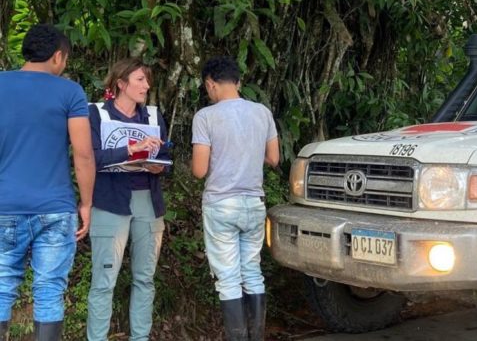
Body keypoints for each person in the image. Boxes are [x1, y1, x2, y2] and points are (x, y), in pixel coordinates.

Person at [0, 24, 95, 340]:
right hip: (55, 209)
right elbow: (82, 154)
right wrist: (87, 203)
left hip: (4, 207)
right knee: (50, 290)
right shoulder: (69, 92)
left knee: (1, 286)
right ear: (58, 56)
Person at [191, 56, 279, 341]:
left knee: (228, 280)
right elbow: (274, 159)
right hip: (254, 204)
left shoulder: (206, 117)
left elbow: (199, 170)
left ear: (210, 84)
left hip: (221, 205)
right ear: (238, 82)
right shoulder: (262, 112)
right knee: (252, 272)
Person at [86, 58, 171, 341]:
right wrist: (132, 149)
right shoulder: (96, 113)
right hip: (110, 201)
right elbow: (92, 158)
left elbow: (166, 157)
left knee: (145, 278)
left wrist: (159, 164)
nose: (147, 86)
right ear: (120, 83)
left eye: (147, 80)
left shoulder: (153, 115)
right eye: (140, 80)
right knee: (103, 281)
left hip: (148, 199)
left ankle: (141, 337)